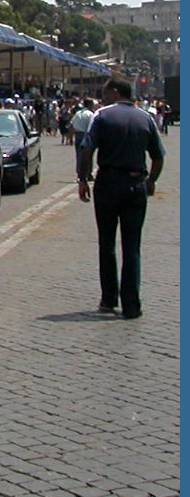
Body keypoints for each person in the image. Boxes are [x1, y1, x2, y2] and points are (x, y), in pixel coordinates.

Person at [78, 78, 165, 320]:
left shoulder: (102, 116)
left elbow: (87, 149)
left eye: (105, 93)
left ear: (115, 93)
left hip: (107, 183)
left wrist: (83, 179)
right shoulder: (146, 117)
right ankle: (131, 305)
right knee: (132, 247)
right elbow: (158, 157)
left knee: (107, 243)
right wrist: (150, 181)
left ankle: (108, 299)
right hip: (135, 184)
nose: (103, 98)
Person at [70, 97, 96, 176]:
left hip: (78, 135)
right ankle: (89, 173)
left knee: (79, 155)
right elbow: (92, 127)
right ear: (90, 105)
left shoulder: (78, 113)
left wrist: (71, 138)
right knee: (88, 155)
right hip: (86, 135)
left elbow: (71, 125)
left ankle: (79, 173)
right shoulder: (90, 114)